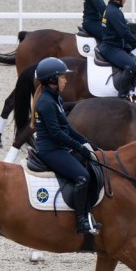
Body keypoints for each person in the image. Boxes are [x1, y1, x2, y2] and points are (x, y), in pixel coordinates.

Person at [32, 57, 101, 235]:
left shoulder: (56, 99)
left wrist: (89, 143)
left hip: (59, 148)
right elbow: (56, 133)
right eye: (62, 77)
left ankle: (89, 211)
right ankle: (81, 221)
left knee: (90, 164)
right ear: (52, 80)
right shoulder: (46, 102)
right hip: (50, 151)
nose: (65, 80)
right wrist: (79, 147)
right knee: (82, 177)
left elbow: (68, 128)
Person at [99, 0, 136, 99]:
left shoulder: (113, 9)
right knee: (131, 66)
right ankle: (122, 95)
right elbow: (124, 33)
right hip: (111, 48)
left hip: (113, 45)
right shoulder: (114, 12)